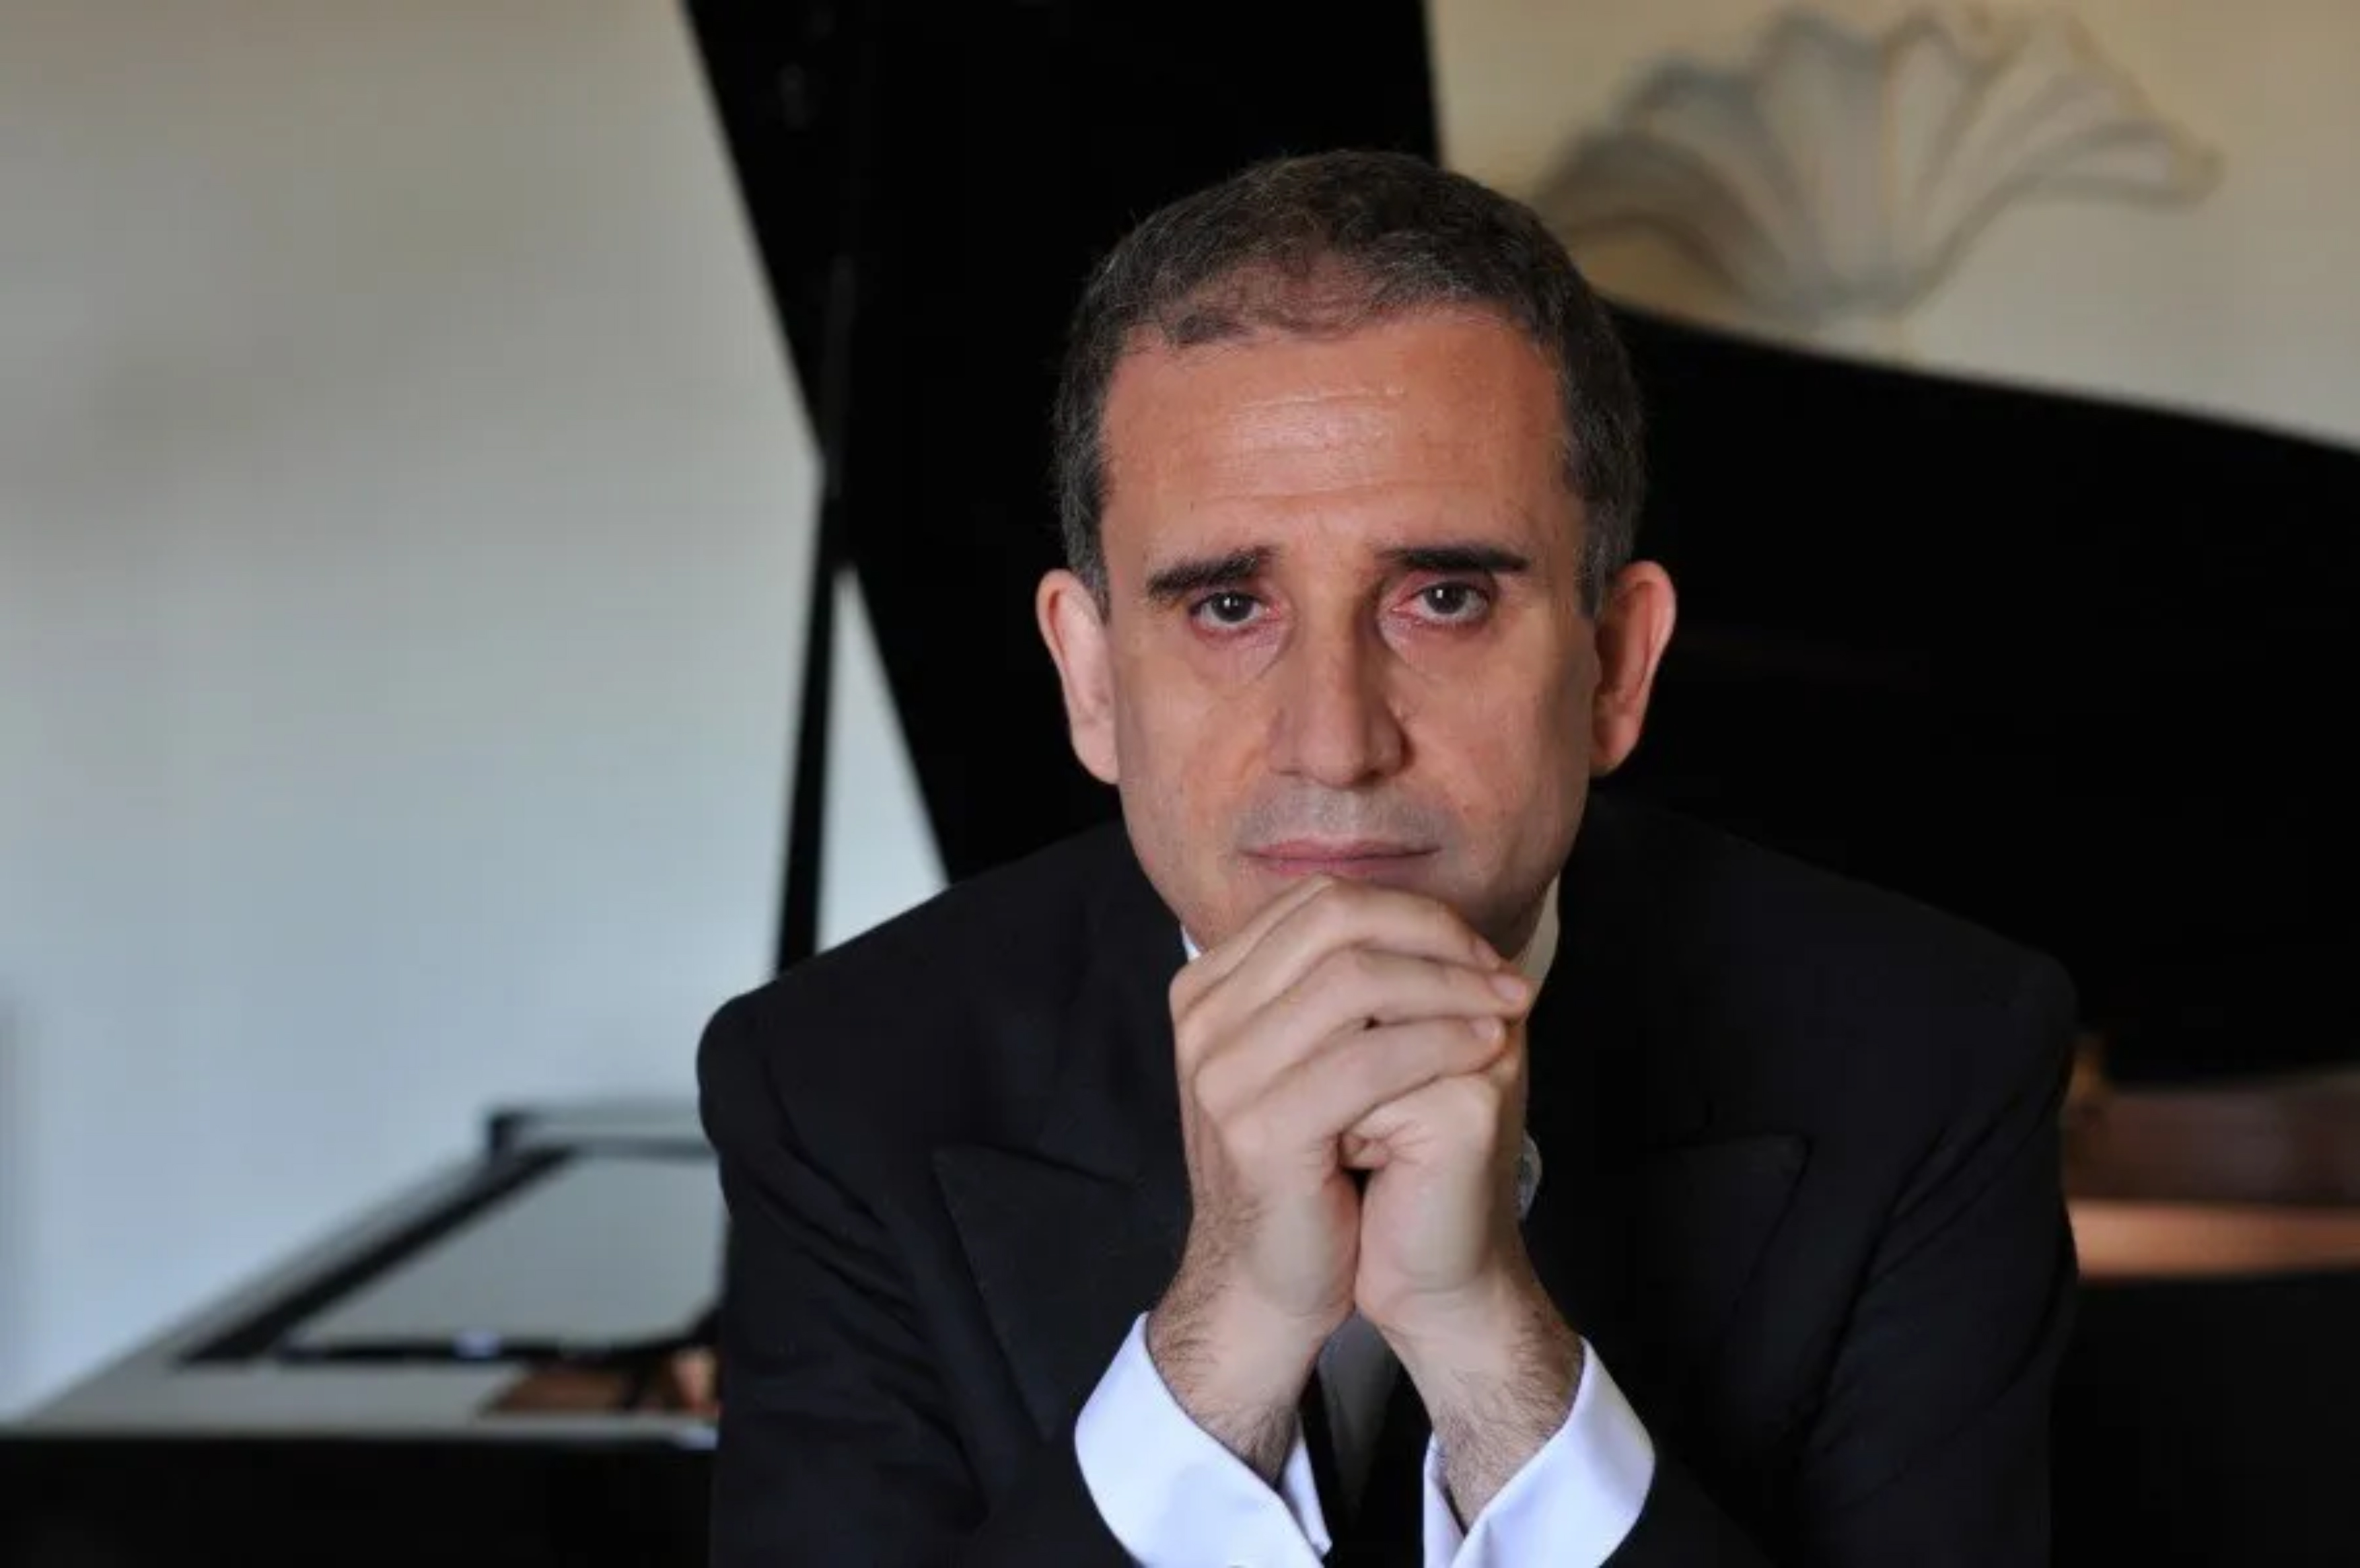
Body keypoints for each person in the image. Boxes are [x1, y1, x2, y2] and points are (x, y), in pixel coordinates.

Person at [699, 150, 2077, 1565]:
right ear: (1091, 680)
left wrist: (1493, 1353)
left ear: (1615, 664)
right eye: (1227, 606)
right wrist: (1219, 1343)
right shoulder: (833, 1084)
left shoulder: (1937, 1058)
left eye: (1444, 597)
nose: (1336, 742)